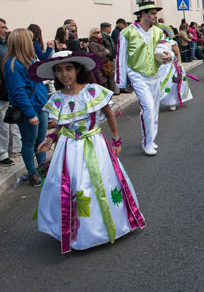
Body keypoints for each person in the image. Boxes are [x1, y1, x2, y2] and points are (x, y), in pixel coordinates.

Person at [32, 50, 145, 253]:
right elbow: (63, 123)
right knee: (73, 185)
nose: (64, 74)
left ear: (77, 69)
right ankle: (78, 230)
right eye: (59, 70)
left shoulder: (92, 91)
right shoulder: (58, 98)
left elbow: (108, 113)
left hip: (94, 144)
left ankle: (106, 226)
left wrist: (116, 138)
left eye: (68, 68)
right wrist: (51, 138)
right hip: (68, 147)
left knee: (101, 183)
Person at [116, 1, 173, 156]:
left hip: (155, 75)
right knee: (147, 108)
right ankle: (147, 143)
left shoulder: (158, 32)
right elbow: (121, 57)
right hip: (137, 74)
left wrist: (169, 56)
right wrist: (121, 82)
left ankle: (150, 139)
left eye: (156, 13)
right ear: (143, 14)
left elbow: (164, 47)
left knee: (154, 109)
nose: (156, 16)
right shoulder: (127, 33)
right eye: (153, 13)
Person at [2, 28, 47, 186]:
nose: (32, 43)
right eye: (29, 40)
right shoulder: (13, 65)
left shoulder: (30, 61)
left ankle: (42, 168)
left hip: (40, 106)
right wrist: (30, 114)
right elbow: (19, 92)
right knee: (29, 142)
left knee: (41, 140)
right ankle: (32, 173)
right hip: (29, 109)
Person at [0, 17, 21, 167]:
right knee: (1, 125)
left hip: (11, 90)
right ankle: (1, 153)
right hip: (1, 93)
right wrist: (3, 89)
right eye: (2, 27)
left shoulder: (5, 46)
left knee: (13, 121)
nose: (5, 30)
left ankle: (15, 148)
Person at [100, 22, 118, 93]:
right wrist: (109, 55)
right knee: (111, 75)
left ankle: (114, 90)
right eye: (110, 27)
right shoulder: (103, 37)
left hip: (112, 57)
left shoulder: (108, 36)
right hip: (108, 58)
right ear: (106, 28)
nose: (111, 29)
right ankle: (112, 91)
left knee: (113, 75)